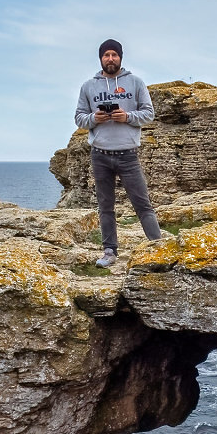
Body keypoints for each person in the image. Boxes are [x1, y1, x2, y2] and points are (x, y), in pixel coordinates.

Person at [75, 38, 162, 267]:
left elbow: (149, 113)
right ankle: (109, 252)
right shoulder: (88, 87)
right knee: (106, 206)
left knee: (142, 204)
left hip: (128, 154)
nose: (110, 59)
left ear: (120, 57)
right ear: (101, 58)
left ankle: (159, 247)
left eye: (114, 55)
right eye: (106, 55)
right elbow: (79, 118)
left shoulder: (135, 82)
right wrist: (94, 118)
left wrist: (128, 117)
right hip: (100, 154)